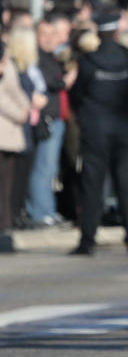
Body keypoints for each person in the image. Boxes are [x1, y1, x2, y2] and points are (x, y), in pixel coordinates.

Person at [69, 17, 128, 255]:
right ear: (116, 33)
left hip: (95, 130)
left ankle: (87, 241)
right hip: (125, 129)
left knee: (92, 186)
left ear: (98, 34)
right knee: (127, 185)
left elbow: (77, 95)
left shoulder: (88, 61)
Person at [25, 14, 74, 226]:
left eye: (51, 34)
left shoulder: (51, 57)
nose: (48, 38)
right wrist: (68, 78)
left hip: (56, 119)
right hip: (46, 120)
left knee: (49, 168)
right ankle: (41, 213)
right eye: (43, 34)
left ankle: (47, 210)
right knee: (43, 168)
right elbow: (53, 84)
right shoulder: (37, 58)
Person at [0, 39, 30, 231]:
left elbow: (16, 89)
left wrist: (25, 106)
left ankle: (6, 220)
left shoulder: (7, 61)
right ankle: (4, 222)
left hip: (10, 129)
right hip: (5, 124)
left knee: (8, 180)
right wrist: (18, 113)